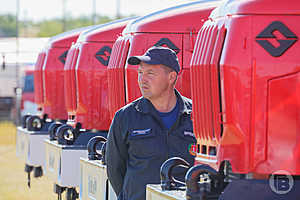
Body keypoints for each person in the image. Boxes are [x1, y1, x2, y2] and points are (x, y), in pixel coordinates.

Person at [106, 46, 196, 200]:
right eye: (140, 73)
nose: (142, 79)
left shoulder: (196, 116)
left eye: (150, 73)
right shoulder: (125, 117)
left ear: (171, 77)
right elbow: (114, 168)